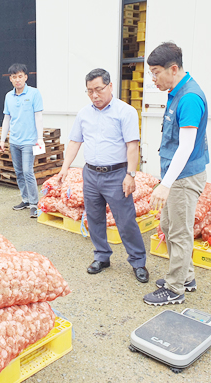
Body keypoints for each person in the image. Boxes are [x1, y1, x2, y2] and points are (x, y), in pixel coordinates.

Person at [57, 68, 149, 283]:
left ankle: (138, 261)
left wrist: (131, 174)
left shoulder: (125, 112)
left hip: (117, 174)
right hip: (90, 174)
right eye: (90, 91)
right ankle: (102, 256)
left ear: (110, 86)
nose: (94, 95)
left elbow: (132, 146)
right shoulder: (84, 113)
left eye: (98, 89)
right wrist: (64, 167)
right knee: (94, 217)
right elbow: (75, 142)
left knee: (125, 221)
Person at [143, 42, 209, 306]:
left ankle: (174, 289)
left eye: (156, 72)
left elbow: (187, 145)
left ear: (173, 68)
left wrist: (166, 184)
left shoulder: (189, 98)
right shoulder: (177, 92)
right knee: (169, 226)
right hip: (175, 175)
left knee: (180, 232)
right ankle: (186, 276)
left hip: (183, 178)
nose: (153, 78)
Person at [0, 63, 44, 218]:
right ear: (10, 79)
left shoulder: (34, 93)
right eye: (14, 77)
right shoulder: (8, 96)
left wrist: (40, 138)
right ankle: (25, 199)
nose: (17, 80)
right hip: (14, 141)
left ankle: (34, 204)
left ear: (25, 77)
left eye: (20, 76)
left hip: (29, 141)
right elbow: (7, 118)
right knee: (18, 172)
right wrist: (2, 140)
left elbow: (38, 117)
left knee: (27, 172)